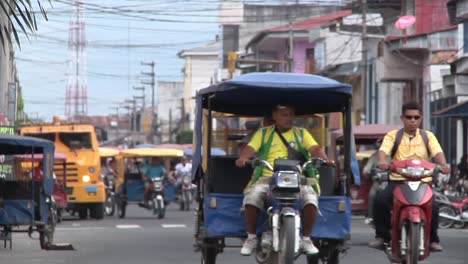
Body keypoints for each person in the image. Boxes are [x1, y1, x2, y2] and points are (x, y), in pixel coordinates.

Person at [235, 104, 333, 256]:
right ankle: (252, 237)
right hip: (268, 177)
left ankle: (306, 238)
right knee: (252, 197)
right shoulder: (263, 133)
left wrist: (324, 159)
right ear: (274, 116)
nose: (289, 118)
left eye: (291, 115)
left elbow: (315, 149)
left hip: (297, 177)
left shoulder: (301, 133)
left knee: (311, 199)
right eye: (285, 115)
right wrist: (243, 158)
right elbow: (250, 149)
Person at [368, 102, 450, 252]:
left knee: (435, 206)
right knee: (380, 200)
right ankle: (382, 236)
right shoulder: (393, 136)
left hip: (423, 182)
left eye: (416, 117)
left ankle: (432, 240)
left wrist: (443, 165)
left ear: (421, 118)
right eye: (409, 117)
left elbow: (438, 153)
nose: (412, 120)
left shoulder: (428, 136)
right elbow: (383, 151)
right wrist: (381, 161)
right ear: (402, 118)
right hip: (398, 181)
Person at [362, 138, 389, 225]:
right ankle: (371, 216)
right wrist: (366, 172)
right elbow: (367, 169)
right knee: (372, 195)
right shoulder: (374, 156)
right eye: (381, 144)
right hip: (379, 180)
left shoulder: (396, 154)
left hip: (393, 179)